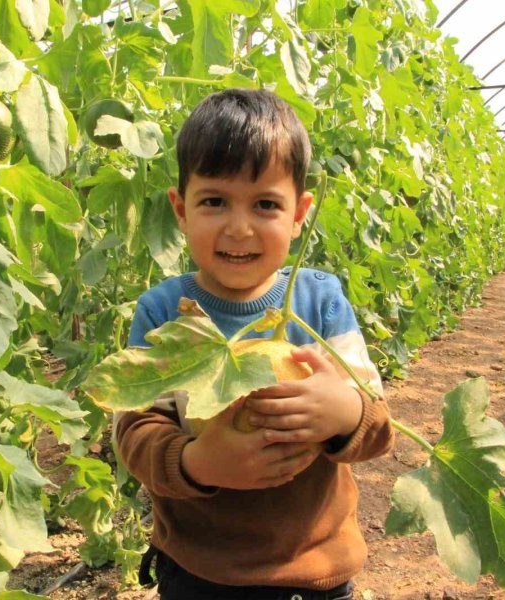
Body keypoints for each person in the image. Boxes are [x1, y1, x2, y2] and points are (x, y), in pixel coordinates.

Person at [115, 88, 394, 599]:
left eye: (265, 204)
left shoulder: (320, 305)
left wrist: (347, 412)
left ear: (299, 213)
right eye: (215, 201)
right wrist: (196, 463)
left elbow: (378, 427)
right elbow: (134, 433)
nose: (239, 228)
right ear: (181, 209)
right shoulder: (163, 313)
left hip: (314, 570)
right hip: (198, 572)